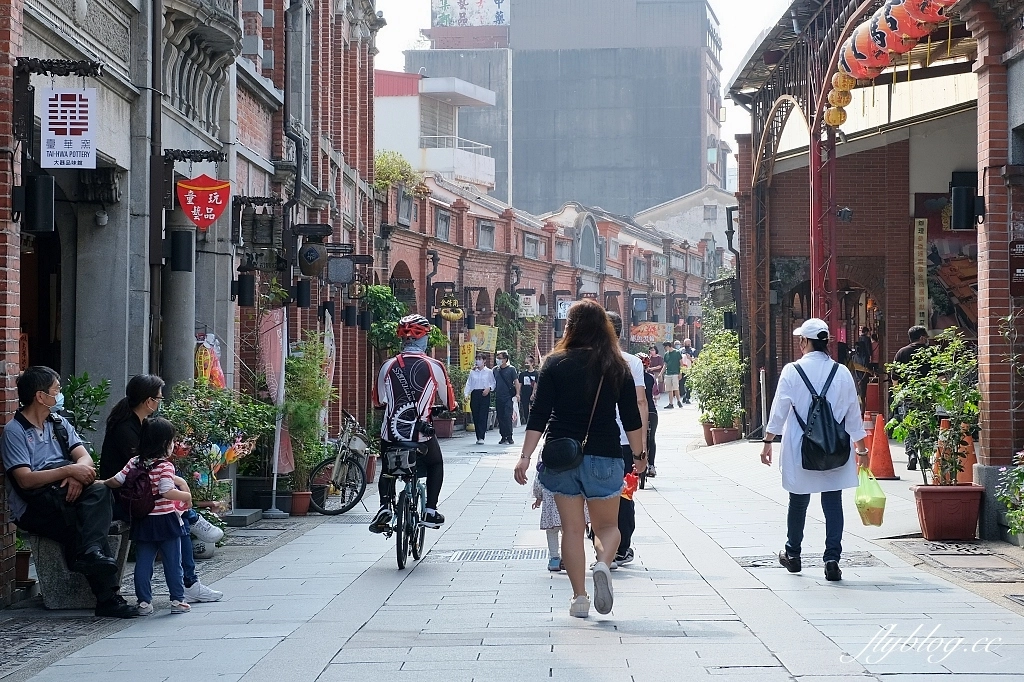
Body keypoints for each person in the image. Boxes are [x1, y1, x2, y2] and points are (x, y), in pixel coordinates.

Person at [514, 299, 646, 618]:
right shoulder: (617, 366)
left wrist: (524, 457)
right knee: (607, 527)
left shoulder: (554, 363)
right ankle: (602, 564)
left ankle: (579, 598)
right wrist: (640, 456)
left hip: (562, 455)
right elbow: (631, 417)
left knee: (572, 530)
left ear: (569, 327)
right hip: (604, 454)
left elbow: (539, 415)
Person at [1, 366, 137, 618]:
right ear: (40, 396)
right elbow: (25, 479)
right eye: (57, 390)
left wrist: (76, 473)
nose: (59, 394)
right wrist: (69, 472)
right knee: (82, 527)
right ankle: (107, 596)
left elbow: (85, 460)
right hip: (35, 505)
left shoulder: (59, 423)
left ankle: (92, 560)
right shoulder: (15, 432)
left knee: (100, 490)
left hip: (65, 494)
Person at [760, 319, 870, 582]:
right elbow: (853, 414)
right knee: (832, 502)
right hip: (835, 447)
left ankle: (793, 555)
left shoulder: (792, 370)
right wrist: (862, 450)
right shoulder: (842, 372)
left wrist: (767, 441)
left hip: (801, 448)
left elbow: (779, 409)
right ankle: (832, 558)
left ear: (804, 343)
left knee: (798, 501)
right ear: (826, 343)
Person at [101, 375, 223, 603]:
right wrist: (182, 488)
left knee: (177, 517)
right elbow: (144, 471)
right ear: (148, 401)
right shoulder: (126, 429)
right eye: (158, 398)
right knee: (179, 521)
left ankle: (186, 580)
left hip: (141, 493)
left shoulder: (139, 424)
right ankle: (189, 581)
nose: (160, 402)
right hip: (129, 498)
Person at [370, 314, 458, 532]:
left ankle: (384, 506)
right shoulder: (434, 366)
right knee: (436, 463)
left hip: (391, 434)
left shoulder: (387, 365)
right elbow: (450, 402)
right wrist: (448, 407)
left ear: (403, 339)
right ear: (424, 339)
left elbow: (378, 400)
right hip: (421, 436)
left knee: (387, 469)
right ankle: (430, 510)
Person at [101, 417, 193, 615]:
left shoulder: (134, 462)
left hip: (143, 519)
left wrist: (99, 483)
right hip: (166, 520)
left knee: (143, 563)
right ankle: (177, 600)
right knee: (172, 562)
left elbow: (117, 480)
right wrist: (186, 495)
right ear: (164, 444)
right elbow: (166, 490)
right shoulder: (165, 466)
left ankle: (144, 602)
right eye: (171, 441)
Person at [606, 311, 648, 567]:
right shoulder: (632, 362)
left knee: (597, 494)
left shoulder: (587, 359)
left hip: (595, 440)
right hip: (624, 440)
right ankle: (621, 548)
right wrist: (641, 450)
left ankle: (602, 545)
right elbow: (640, 401)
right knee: (624, 494)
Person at [532, 461, 589, 573]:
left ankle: (554, 559)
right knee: (569, 531)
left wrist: (538, 496)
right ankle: (566, 558)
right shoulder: (575, 446)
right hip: (571, 494)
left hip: (550, 495)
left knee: (551, 531)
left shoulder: (546, 448)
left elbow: (539, 473)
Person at [892, 326, 931, 470]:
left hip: (908, 396)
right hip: (927, 396)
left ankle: (912, 454)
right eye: (926, 336)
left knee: (910, 426)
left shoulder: (902, 352)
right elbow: (941, 377)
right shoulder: (931, 352)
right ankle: (925, 458)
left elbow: (895, 379)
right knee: (926, 426)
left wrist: (898, 396)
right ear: (921, 338)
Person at [464, 354, 496, 445]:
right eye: (477, 359)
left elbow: (493, 383)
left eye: (480, 359)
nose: (478, 361)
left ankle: (482, 436)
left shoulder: (489, 372)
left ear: (484, 361)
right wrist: (466, 394)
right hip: (475, 394)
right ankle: (478, 435)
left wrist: (489, 388)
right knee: (476, 415)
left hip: (484, 394)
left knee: (483, 415)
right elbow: (469, 384)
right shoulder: (473, 372)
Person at [636, 352, 659, 478]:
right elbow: (655, 393)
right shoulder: (650, 378)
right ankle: (652, 466)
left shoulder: (632, 377)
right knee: (651, 438)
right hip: (651, 411)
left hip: (637, 411)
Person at [493, 350, 520, 445]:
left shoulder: (511, 369)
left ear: (505, 359)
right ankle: (503, 436)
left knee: (507, 416)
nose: (498, 360)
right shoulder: (495, 370)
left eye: (500, 358)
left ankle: (509, 436)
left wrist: (517, 394)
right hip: (498, 397)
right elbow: (491, 381)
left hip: (508, 397)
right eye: (497, 358)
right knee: (500, 417)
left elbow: (516, 382)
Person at [518, 356, 539, 427]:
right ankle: (528, 423)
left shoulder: (536, 374)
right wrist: (518, 393)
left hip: (533, 394)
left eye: (527, 363)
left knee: (533, 409)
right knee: (525, 409)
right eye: (525, 363)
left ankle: (534, 423)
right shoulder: (522, 374)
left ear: (532, 363)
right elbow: (520, 384)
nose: (526, 364)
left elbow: (536, 384)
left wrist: (533, 393)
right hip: (524, 394)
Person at [662, 341, 683, 409]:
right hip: (668, 373)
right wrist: (661, 373)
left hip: (675, 373)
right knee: (669, 389)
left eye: (665, 347)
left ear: (668, 346)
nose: (664, 348)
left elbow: (681, 363)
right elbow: (665, 365)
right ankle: (671, 403)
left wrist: (680, 373)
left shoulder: (677, 353)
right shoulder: (666, 354)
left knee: (676, 388)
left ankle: (678, 401)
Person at [679, 339, 695, 404]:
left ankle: (688, 397)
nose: (687, 345)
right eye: (686, 344)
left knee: (689, 385)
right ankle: (683, 395)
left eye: (688, 344)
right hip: (682, 369)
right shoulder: (680, 350)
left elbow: (696, 360)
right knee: (681, 384)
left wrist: (690, 358)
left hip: (690, 370)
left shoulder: (693, 350)